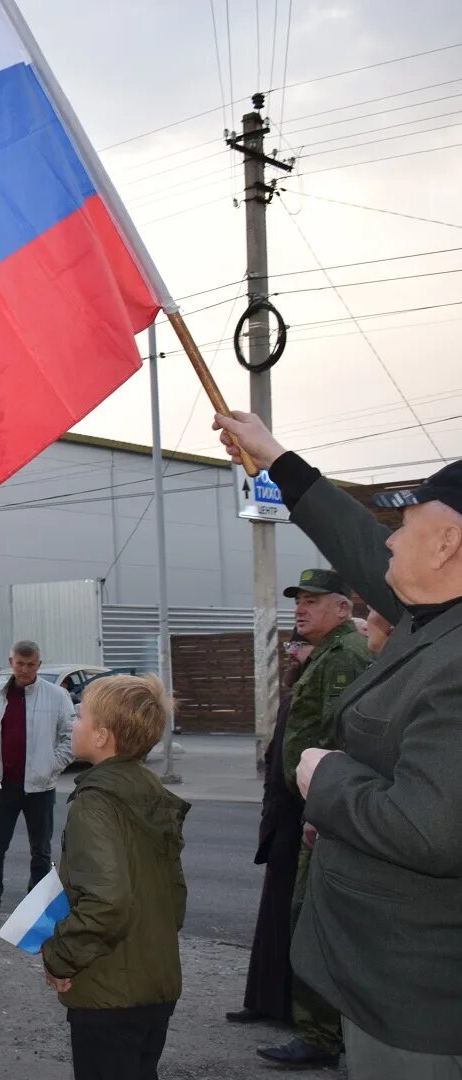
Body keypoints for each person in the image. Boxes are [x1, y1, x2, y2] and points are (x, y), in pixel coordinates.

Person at [216, 411, 462, 1077]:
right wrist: (276, 459)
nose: (385, 546)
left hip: (418, 1002)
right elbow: (353, 538)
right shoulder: (434, 618)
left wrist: (329, 779)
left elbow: (429, 826)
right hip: (381, 981)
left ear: (445, 547)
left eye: (403, 528)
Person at [41, 675, 188, 1080]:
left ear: (103, 736)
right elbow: (175, 897)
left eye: (80, 716)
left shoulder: (96, 803)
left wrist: (60, 957)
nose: (73, 723)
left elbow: (107, 902)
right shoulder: (149, 790)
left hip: (109, 991)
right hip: (154, 980)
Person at [255, 568, 373, 1071]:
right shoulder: (327, 653)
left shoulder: (344, 656)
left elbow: (341, 738)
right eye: (298, 601)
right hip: (310, 805)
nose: (300, 609)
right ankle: (320, 1030)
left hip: (323, 809)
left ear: (343, 609)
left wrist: (322, 809)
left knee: (314, 918)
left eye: (313, 601)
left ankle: (321, 1035)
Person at [227, 635, 312, 1027]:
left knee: (294, 917)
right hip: (280, 817)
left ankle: (294, 1011)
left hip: (302, 818)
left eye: (301, 647)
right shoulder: (300, 689)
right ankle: (264, 1000)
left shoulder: (323, 685)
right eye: (292, 648)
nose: (292, 653)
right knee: (273, 914)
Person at [0, 640, 75, 924]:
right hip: (1, 785)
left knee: (40, 849)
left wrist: (52, 766)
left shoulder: (56, 696)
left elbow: (70, 736)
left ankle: (36, 910)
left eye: (31, 664)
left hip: (40, 787)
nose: (25, 669)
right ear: (11, 661)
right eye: (20, 663)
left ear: (39, 664)